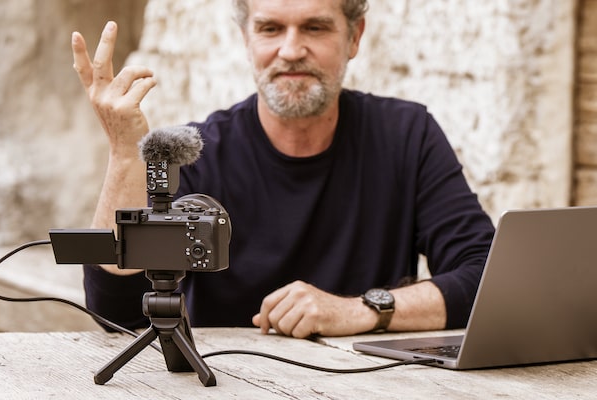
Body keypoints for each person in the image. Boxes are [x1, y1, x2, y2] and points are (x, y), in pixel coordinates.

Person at [71, 0, 494, 339]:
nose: (291, 51)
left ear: (354, 36)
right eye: (270, 28)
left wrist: (359, 310)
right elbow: (116, 314)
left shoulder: (407, 135)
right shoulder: (199, 152)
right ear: (246, 38)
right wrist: (126, 153)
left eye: (315, 27)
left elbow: (486, 280)